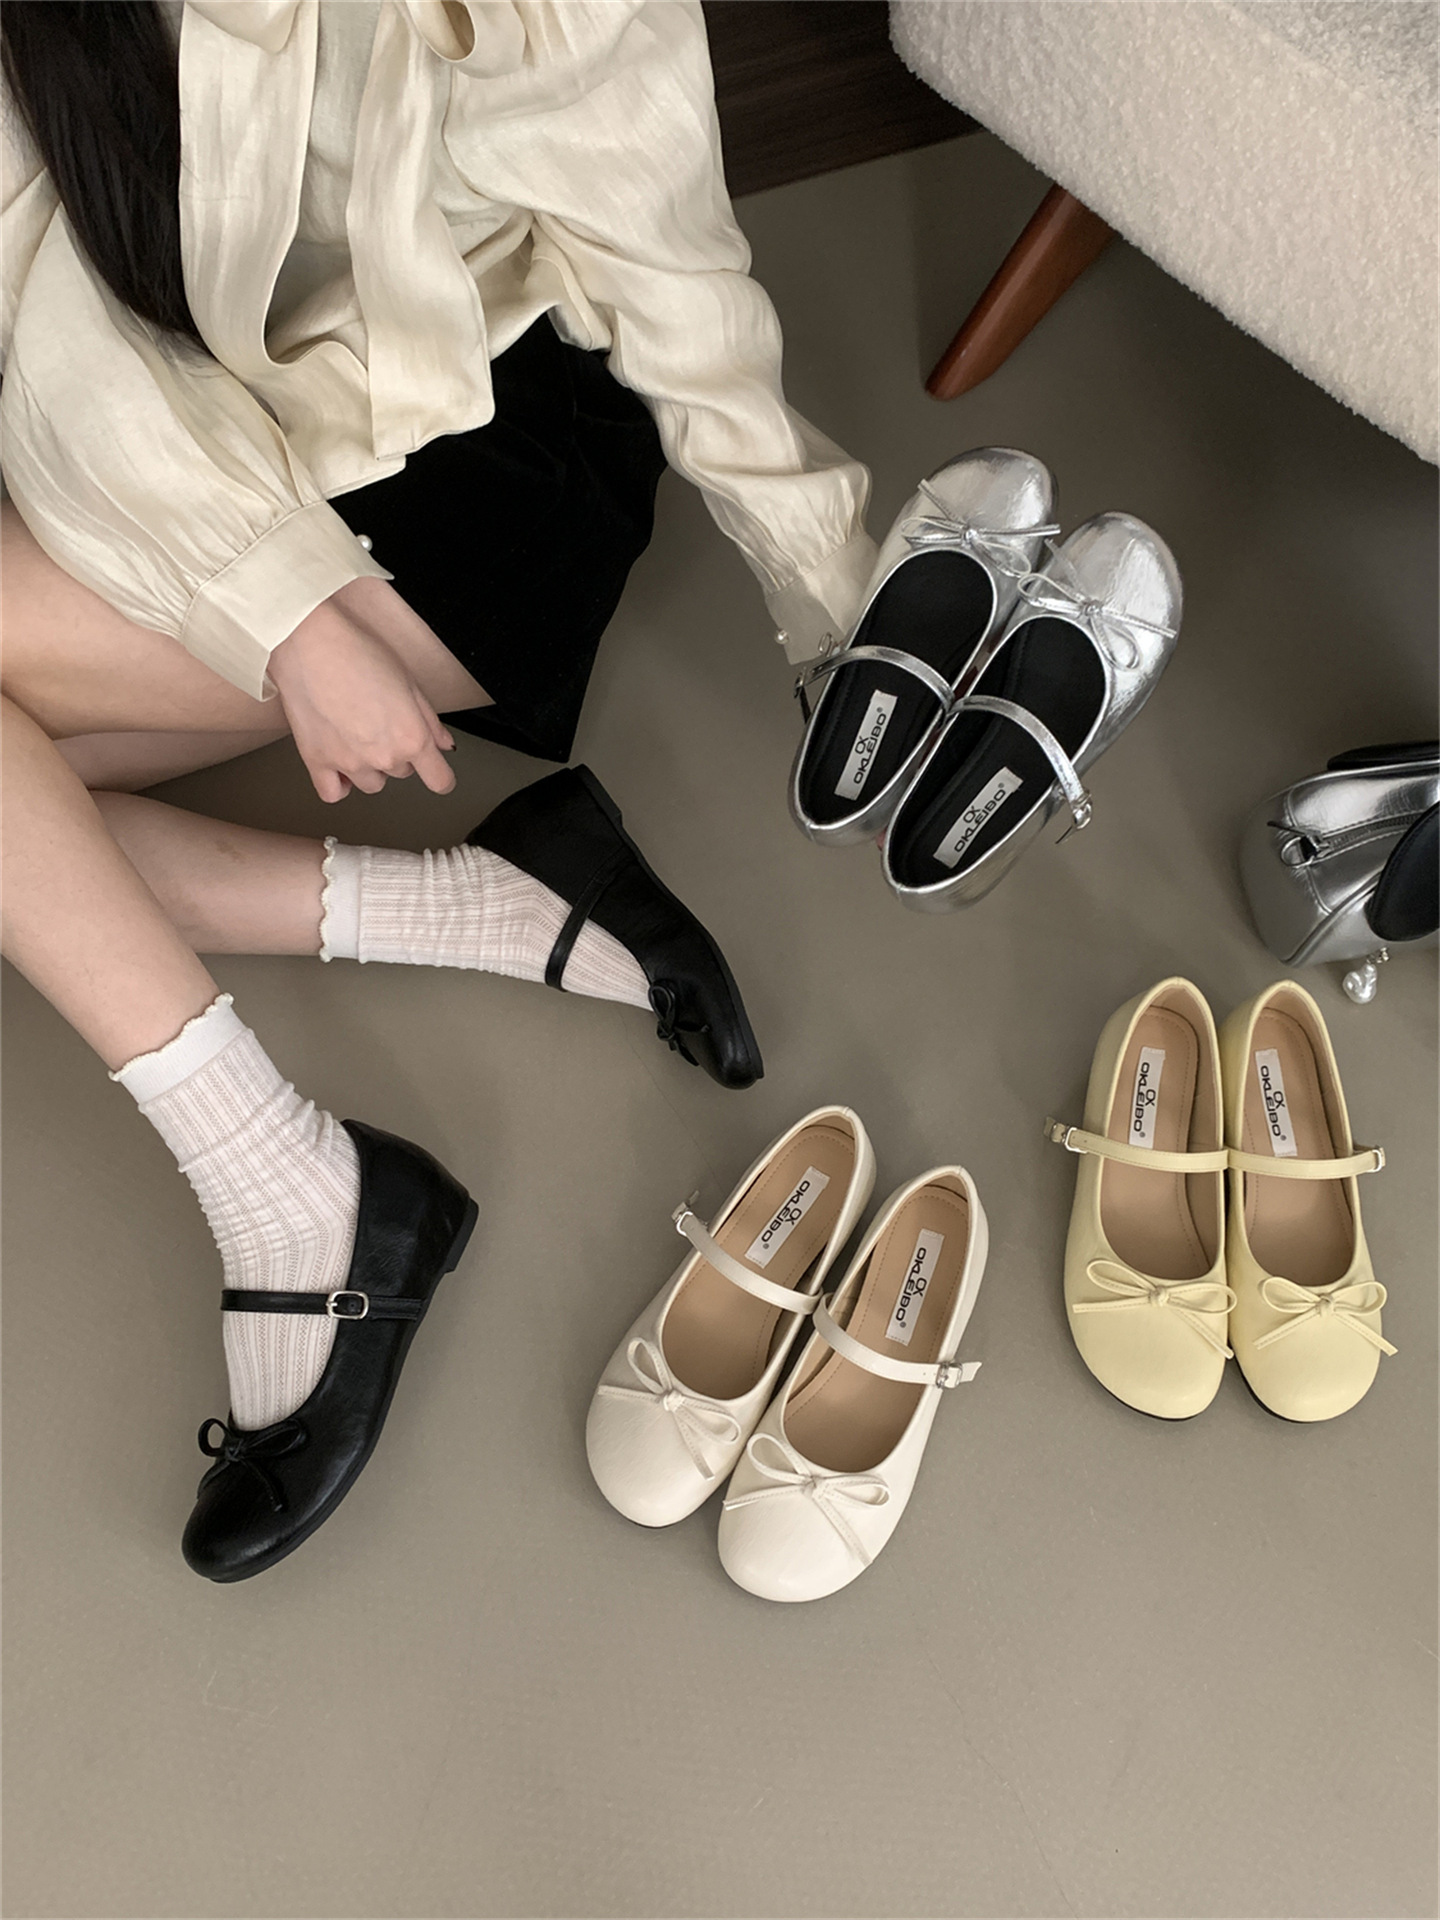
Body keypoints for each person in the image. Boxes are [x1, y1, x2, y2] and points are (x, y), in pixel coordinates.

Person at [0, 0, 876, 1579]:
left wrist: (838, 605)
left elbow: (656, 239)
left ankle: (301, 1181)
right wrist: (276, 612)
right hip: (213, 447)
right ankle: (460, 949)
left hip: (480, 451)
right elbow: (41, 298)